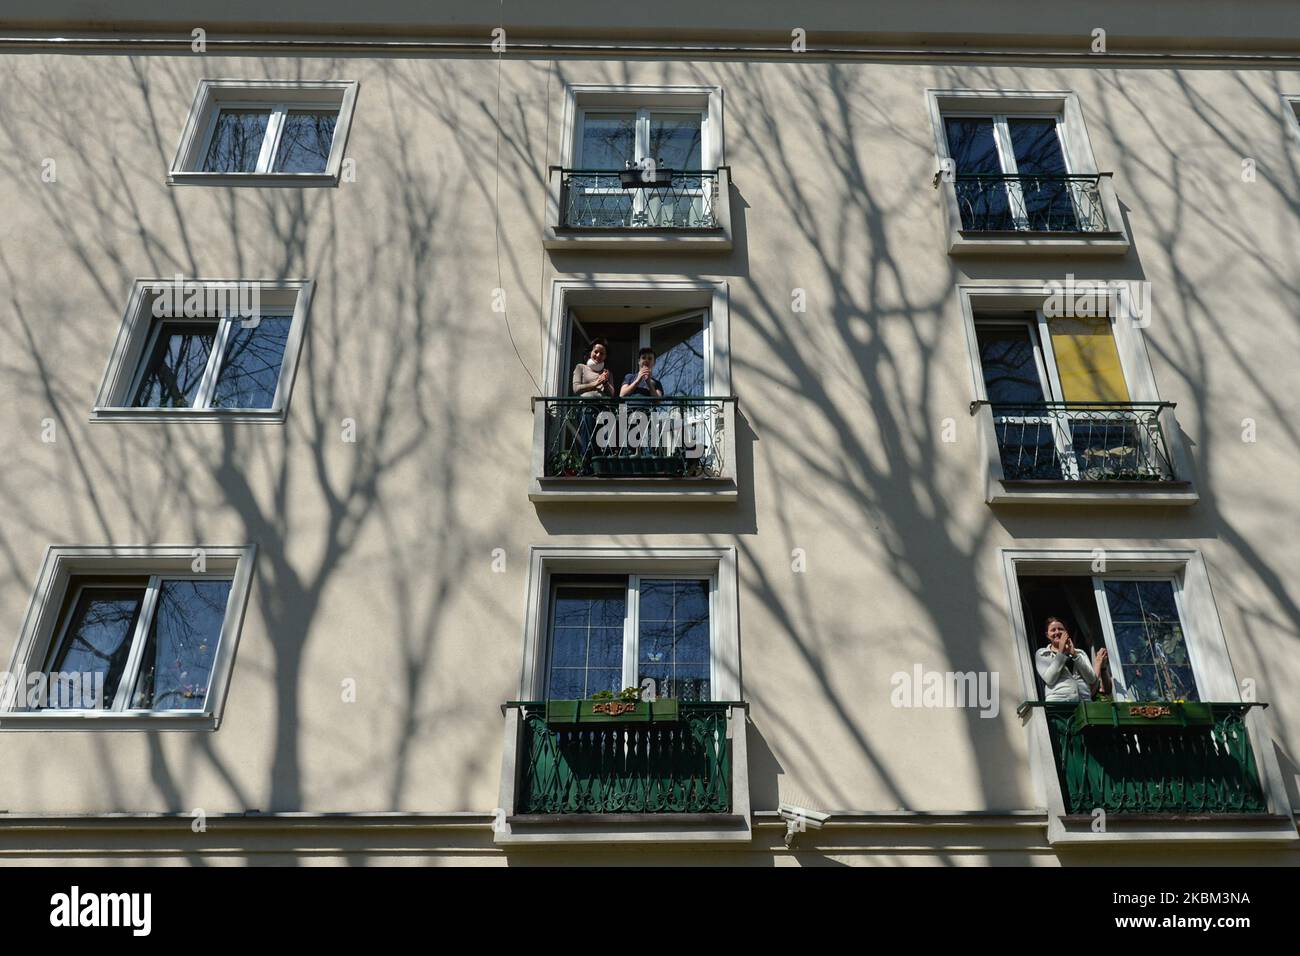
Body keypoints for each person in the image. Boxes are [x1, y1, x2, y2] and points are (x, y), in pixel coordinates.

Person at [1035, 617, 1108, 701]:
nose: (1057, 632)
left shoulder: (1080, 653)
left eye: (1060, 629)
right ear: (1047, 635)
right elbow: (1049, 679)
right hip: (1059, 704)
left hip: (1084, 703)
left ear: (1066, 632)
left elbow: (1091, 679)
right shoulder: (1042, 654)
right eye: (1053, 630)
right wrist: (1061, 653)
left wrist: (1075, 655)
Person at [570, 338, 614, 473]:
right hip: (587, 407)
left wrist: (605, 383)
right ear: (591, 352)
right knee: (588, 439)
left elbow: (612, 393)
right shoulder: (581, 367)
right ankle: (586, 468)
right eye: (596, 352)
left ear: (605, 356)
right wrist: (594, 384)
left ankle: (601, 467)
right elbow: (576, 389)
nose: (598, 356)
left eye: (602, 353)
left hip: (603, 409)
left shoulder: (607, 372)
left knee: (603, 441)